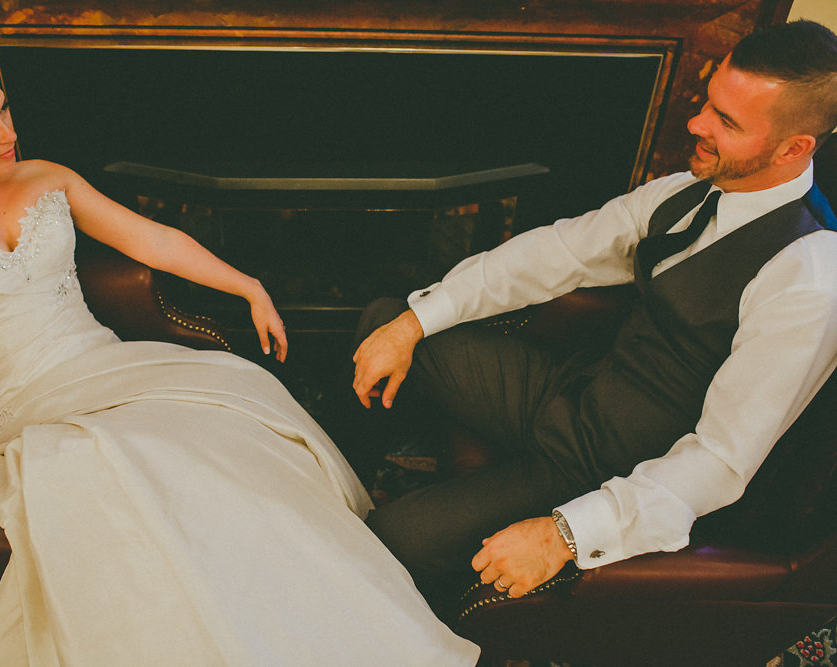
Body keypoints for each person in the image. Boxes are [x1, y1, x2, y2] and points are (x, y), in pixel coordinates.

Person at [0, 27, 479, 666]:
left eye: (3, 109)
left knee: (231, 435)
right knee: (135, 477)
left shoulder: (46, 178)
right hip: (24, 407)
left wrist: (248, 285)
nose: (8, 132)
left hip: (114, 367)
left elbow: (152, 240)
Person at [352, 19, 837, 614]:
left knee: (393, 541)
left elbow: (720, 459)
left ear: (794, 148)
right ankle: (369, 469)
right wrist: (414, 324)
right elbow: (561, 251)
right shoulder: (688, 191)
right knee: (388, 319)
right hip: (571, 394)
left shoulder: (808, 277)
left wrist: (565, 534)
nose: (696, 124)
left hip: (611, 468)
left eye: (727, 122)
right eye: (709, 103)